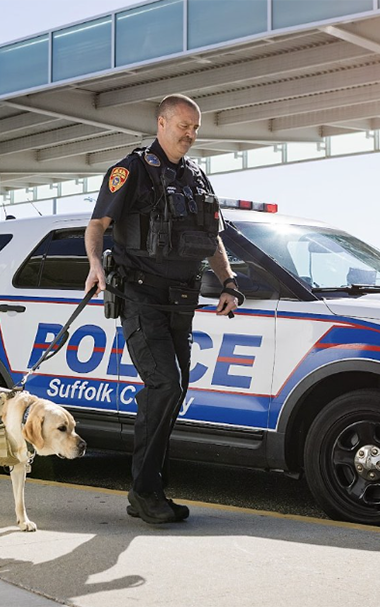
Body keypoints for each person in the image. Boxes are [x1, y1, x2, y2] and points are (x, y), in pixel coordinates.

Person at [84, 94, 240, 524]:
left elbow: (213, 239)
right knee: (165, 385)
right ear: (161, 122)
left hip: (181, 303)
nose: (190, 134)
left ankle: (153, 488)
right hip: (140, 297)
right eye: (183, 126)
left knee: (171, 392)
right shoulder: (130, 170)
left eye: (196, 129)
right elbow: (97, 226)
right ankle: (145, 492)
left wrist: (228, 283)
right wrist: (96, 264)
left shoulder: (197, 177)